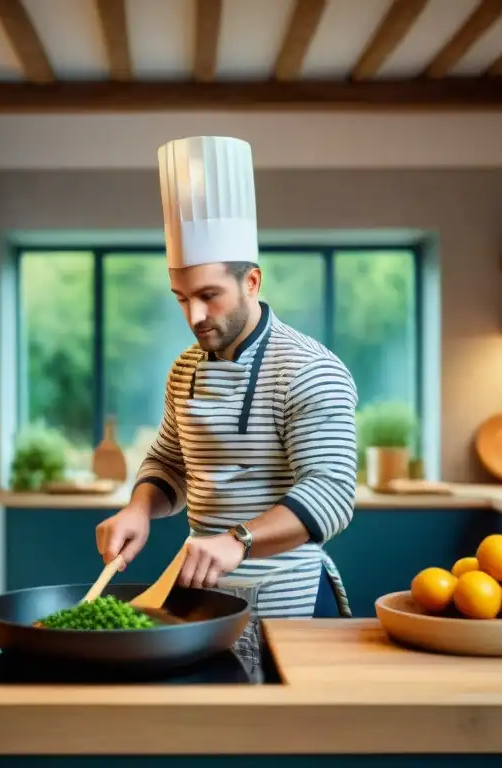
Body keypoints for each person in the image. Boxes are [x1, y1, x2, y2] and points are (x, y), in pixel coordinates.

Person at [95, 135, 357, 619]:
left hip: (291, 601)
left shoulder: (309, 369)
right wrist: (138, 508)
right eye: (181, 297)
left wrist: (240, 540)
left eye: (209, 294)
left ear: (251, 281)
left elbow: (332, 491)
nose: (194, 315)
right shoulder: (185, 369)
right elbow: (170, 463)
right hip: (204, 599)